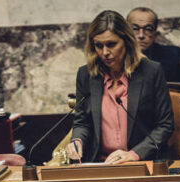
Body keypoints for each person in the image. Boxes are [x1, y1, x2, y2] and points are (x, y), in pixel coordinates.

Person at [66, 10, 174, 164]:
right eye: (98, 45)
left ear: (126, 41)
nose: (105, 52)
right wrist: (77, 140)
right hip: (100, 164)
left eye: (111, 44)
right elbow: (82, 122)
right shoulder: (86, 74)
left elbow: (165, 125)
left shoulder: (151, 71)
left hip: (142, 162)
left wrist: (134, 154)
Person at [126, 7, 180, 104]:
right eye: (135, 29)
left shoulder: (172, 56)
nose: (141, 35)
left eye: (148, 29)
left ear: (155, 34)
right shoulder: (116, 57)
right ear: (126, 32)